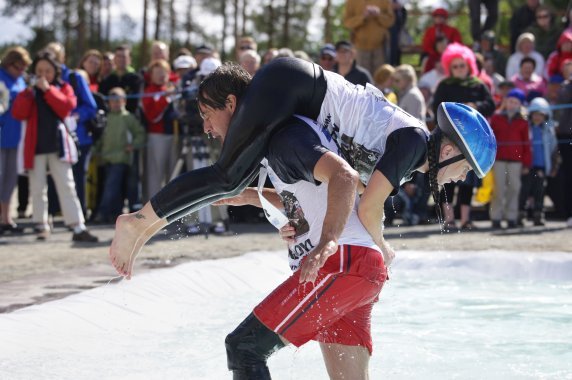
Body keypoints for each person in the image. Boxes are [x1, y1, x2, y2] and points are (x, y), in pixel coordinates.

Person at [109, 58, 496, 283]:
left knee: (236, 177)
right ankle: (137, 221)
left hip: (294, 92)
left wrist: (297, 216)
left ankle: (144, 229)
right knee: (227, 174)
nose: (461, 178)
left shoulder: (408, 165)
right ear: (447, 149)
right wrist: (383, 246)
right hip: (293, 83)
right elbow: (368, 210)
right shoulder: (411, 142)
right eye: (464, 168)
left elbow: (339, 193)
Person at [193, 65, 388, 378]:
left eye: (206, 114)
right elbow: (309, 195)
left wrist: (327, 240)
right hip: (358, 267)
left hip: (342, 264)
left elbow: (344, 176)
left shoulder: (284, 136)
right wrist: (249, 197)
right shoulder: (278, 137)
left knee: (244, 347)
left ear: (231, 104)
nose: (207, 127)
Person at [11, 51, 98, 242]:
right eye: (40, 70)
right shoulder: (29, 92)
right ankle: (41, 225)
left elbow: (67, 106)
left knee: (67, 185)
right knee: (37, 187)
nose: (43, 74)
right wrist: (29, 93)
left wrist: (49, 90)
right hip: (35, 147)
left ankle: (77, 226)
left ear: (55, 71)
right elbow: (18, 112)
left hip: (59, 145)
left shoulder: (64, 87)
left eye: (48, 71)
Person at [432, 43, 495, 231]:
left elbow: (491, 105)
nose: (459, 69)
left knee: (468, 181)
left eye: (462, 65)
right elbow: (437, 107)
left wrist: (475, 106)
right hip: (449, 139)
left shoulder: (478, 85)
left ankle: (466, 219)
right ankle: (449, 219)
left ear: (469, 64)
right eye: (455, 66)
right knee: (449, 179)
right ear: (449, 67)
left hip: (472, 142)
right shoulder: (444, 85)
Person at [92, 88, 145, 223]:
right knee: (113, 187)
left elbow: (140, 134)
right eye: (112, 101)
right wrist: (95, 150)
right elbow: (101, 138)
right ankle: (114, 214)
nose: (115, 104)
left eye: (118, 101)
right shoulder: (107, 118)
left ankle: (102, 213)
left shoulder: (128, 118)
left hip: (122, 158)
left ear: (124, 101)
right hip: (106, 158)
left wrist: (132, 145)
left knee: (112, 185)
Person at [489, 89, 531, 229]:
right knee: (499, 189)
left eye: (515, 102)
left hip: (516, 161)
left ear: (520, 104)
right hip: (499, 159)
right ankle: (496, 217)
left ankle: (511, 217)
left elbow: (527, 143)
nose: (512, 104)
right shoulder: (496, 118)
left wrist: (526, 163)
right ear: (505, 102)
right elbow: (491, 138)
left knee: (514, 188)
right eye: (510, 101)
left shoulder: (523, 121)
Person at [0, 46, 31, 234]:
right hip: (1, 134)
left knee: (11, 178)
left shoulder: (20, 80)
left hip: (17, 136)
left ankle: (6, 218)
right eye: (18, 67)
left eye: (24, 68)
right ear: (9, 63)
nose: (21, 71)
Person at [518, 97, 559, 226]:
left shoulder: (548, 130)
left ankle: (538, 215)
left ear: (545, 116)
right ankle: (521, 215)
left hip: (541, 165)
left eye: (540, 115)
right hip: (528, 165)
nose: (537, 117)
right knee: (524, 190)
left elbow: (553, 148)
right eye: (535, 114)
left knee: (539, 191)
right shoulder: (527, 127)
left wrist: (553, 166)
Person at [343, 0, 395, 75]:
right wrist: (363, 17)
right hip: (360, 48)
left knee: (380, 78)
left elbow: (390, 21)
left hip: (380, 47)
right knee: (361, 79)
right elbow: (347, 23)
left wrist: (378, 15)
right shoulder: (351, 1)